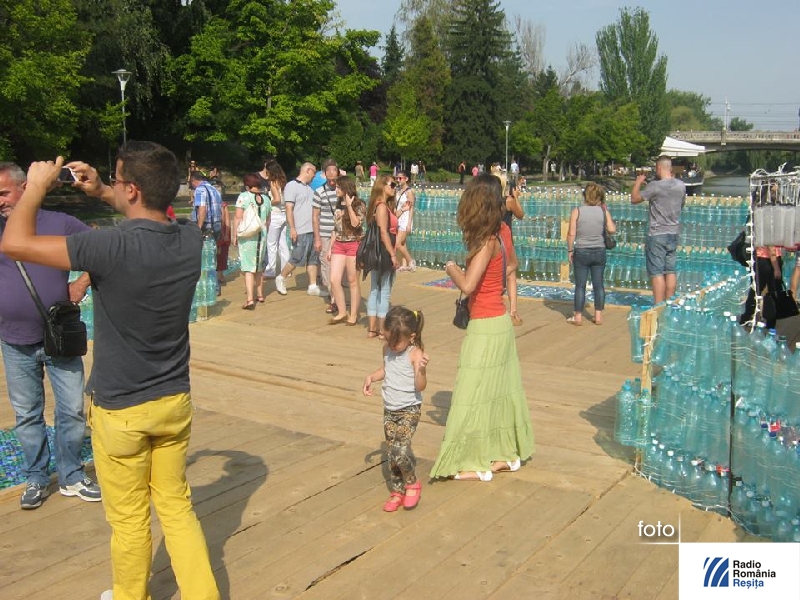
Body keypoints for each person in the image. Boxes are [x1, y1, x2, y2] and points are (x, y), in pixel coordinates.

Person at [0, 143, 219, 599]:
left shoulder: (108, 246)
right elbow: (153, 212)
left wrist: (35, 188)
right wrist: (102, 190)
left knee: (130, 520)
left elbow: (15, 243)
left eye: (117, 181)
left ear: (132, 189)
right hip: (174, 400)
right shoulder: (188, 238)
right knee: (177, 509)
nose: (113, 187)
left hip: (122, 409)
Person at [0, 162, 100, 510]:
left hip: (58, 335)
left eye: (3, 192)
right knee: (27, 414)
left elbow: (103, 249)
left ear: (25, 188)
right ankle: (36, 477)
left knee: (71, 410)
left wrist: (81, 283)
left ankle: (71, 475)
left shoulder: (59, 223)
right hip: (14, 340)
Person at [430, 174, 534, 482]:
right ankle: (505, 455)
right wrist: (494, 282)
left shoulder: (487, 241)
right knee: (498, 393)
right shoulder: (500, 233)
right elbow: (512, 265)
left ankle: (472, 461)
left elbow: (467, 284)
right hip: (500, 322)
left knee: (471, 392)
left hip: (486, 325)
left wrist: (451, 268)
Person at [363, 306, 429, 511]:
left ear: (411, 337)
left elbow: (420, 386)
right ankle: (397, 491)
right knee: (392, 454)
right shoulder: (387, 349)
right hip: (390, 409)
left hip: (409, 409)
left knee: (399, 451)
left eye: (395, 342)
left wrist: (421, 370)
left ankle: (412, 484)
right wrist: (372, 377)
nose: (391, 345)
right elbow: (387, 369)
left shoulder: (415, 354)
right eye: (388, 339)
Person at [631, 156, 686, 304]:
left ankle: (658, 306)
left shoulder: (655, 186)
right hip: (673, 232)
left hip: (656, 233)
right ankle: (669, 304)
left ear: (659, 168)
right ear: (670, 168)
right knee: (670, 270)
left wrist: (638, 182)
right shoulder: (681, 185)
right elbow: (681, 205)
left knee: (657, 272)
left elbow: (634, 199)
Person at [566, 182, 616, 326]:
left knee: (580, 285)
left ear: (585, 196)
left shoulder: (577, 211)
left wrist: (570, 250)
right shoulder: (603, 211)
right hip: (599, 250)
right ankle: (598, 316)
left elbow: (571, 234)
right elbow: (612, 230)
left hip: (581, 250)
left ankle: (578, 316)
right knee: (598, 285)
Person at [275, 162, 320, 296]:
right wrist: (292, 228)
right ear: (308, 170)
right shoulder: (291, 186)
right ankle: (281, 277)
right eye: (314, 172)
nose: (314, 176)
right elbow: (289, 208)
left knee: (313, 258)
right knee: (297, 256)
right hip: (301, 229)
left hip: (312, 229)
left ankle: (312, 286)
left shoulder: (310, 189)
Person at [364, 175, 399, 339]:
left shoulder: (378, 205)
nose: (394, 187)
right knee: (383, 291)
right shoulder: (382, 206)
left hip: (376, 251)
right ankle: (381, 330)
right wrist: (393, 254)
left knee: (374, 289)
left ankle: (372, 329)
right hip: (384, 252)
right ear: (382, 186)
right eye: (392, 184)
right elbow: (384, 233)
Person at [327, 176, 365, 326]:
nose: (336, 189)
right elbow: (335, 228)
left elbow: (356, 224)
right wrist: (330, 248)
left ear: (345, 188)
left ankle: (353, 315)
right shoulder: (338, 204)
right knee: (334, 279)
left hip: (353, 243)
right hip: (339, 243)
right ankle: (342, 311)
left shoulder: (359, 205)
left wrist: (349, 206)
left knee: (352, 280)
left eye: (338, 187)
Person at [233, 173, 270, 308]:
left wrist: (234, 235)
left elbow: (238, 217)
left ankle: (250, 299)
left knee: (248, 267)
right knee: (259, 266)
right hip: (262, 236)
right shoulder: (266, 198)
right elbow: (268, 220)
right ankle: (260, 294)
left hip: (248, 237)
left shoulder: (243, 197)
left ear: (247, 185)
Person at [313, 160, 340, 310]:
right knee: (326, 263)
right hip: (325, 232)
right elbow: (315, 216)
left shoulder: (342, 190)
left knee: (339, 264)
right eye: (328, 170)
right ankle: (333, 298)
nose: (331, 173)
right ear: (324, 173)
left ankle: (337, 295)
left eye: (334, 170)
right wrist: (317, 238)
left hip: (341, 233)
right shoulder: (319, 192)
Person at [190, 170, 224, 290]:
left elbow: (202, 209)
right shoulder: (214, 189)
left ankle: (208, 286)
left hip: (206, 226)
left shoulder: (200, 190)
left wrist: (198, 227)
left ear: (194, 180)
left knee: (203, 257)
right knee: (212, 255)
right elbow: (220, 209)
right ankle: (214, 284)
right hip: (216, 225)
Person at [262, 159, 291, 280]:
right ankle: (286, 269)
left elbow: (277, 199)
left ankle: (271, 270)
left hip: (275, 215)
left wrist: (267, 201)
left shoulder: (273, 183)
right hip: (284, 215)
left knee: (272, 244)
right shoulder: (283, 182)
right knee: (283, 244)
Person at [739, 246, 783, 325]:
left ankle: (747, 317)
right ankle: (770, 320)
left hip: (759, 259)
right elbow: (771, 247)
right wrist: (776, 268)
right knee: (773, 292)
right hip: (769, 260)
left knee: (755, 291)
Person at [394, 170, 416, 272]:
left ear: (406, 179)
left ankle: (410, 261)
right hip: (399, 217)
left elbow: (411, 208)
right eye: (397, 178)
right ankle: (403, 264)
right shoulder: (398, 190)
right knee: (402, 243)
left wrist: (409, 223)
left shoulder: (409, 191)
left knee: (397, 243)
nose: (398, 180)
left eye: (400, 178)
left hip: (405, 219)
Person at [215, 199, 231, 292]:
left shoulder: (223, 205)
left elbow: (227, 220)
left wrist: (226, 234)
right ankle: (219, 275)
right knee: (220, 255)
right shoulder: (223, 204)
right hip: (219, 232)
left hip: (221, 232)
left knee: (221, 254)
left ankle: (219, 275)